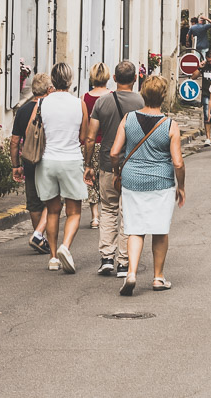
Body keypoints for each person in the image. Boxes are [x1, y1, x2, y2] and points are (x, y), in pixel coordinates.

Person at [109, 74, 185, 295]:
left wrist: (117, 172)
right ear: (163, 96)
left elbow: (115, 152)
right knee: (160, 230)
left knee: (135, 228)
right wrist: (181, 186)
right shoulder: (170, 125)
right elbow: (178, 162)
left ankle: (131, 272)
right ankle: (158, 278)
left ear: (143, 94)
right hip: (161, 181)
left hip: (132, 180)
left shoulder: (128, 119)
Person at [84, 59, 145, 278]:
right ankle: (123, 262)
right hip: (134, 166)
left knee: (108, 210)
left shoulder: (102, 103)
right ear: (135, 79)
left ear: (115, 79)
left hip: (108, 165)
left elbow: (91, 138)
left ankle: (106, 258)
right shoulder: (142, 102)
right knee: (128, 213)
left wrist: (88, 165)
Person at [34, 61, 90, 272]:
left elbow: (34, 131)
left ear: (52, 80)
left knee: (53, 210)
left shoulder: (41, 104)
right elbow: (84, 136)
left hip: (47, 161)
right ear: (70, 80)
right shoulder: (79, 104)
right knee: (74, 212)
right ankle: (65, 247)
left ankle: (52, 257)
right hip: (71, 159)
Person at [10, 71, 51, 253]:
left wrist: (15, 165)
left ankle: (39, 236)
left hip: (30, 161)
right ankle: (42, 235)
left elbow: (14, 141)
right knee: (51, 200)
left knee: (34, 202)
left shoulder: (23, 111)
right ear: (49, 89)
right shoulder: (51, 109)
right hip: (49, 159)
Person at [83, 61, 110, 229]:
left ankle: (95, 217)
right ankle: (108, 213)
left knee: (91, 179)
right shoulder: (112, 96)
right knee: (106, 179)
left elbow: (85, 125)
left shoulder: (85, 98)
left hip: (93, 143)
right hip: (109, 144)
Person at [200, 52, 211, 146]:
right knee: (207, 115)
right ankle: (208, 138)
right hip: (206, 94)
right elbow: (194, 76)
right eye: (208, 61)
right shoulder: (204, 66)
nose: (210, 63)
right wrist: (200, 67)